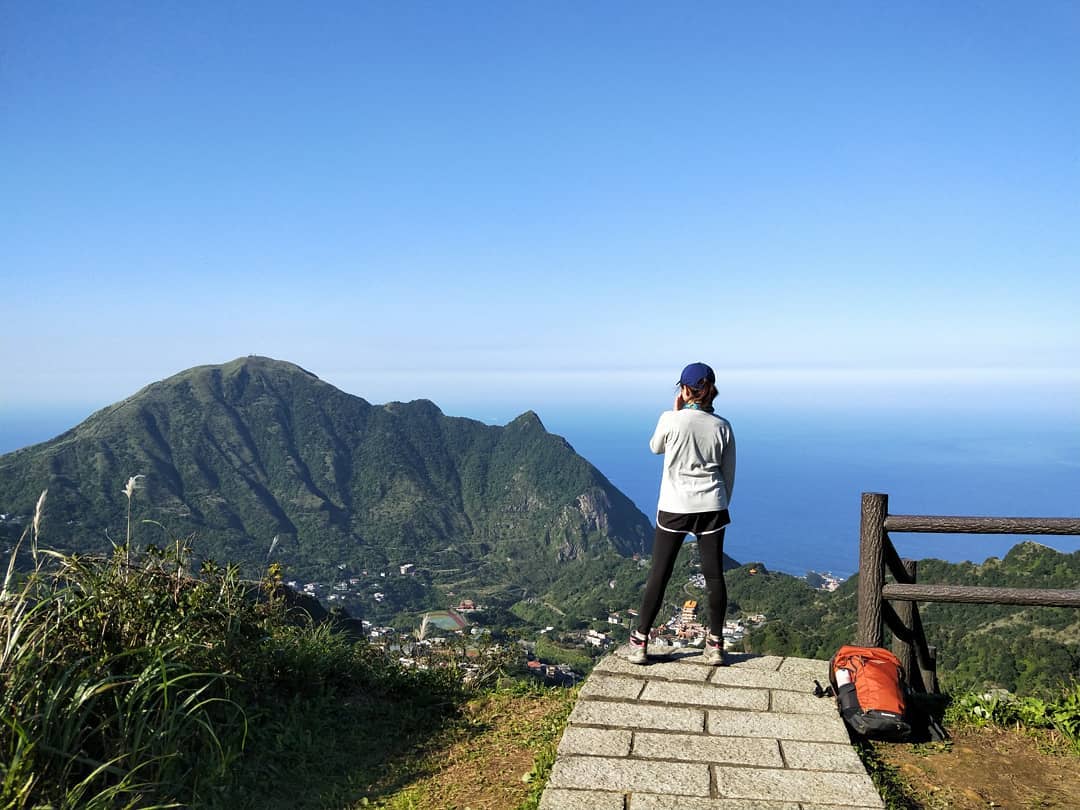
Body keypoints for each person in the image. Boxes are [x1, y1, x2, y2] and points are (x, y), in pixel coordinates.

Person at [627, 362, 736, 666]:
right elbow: (728, 474)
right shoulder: (723, 426)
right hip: (712, 507)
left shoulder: (670, 420)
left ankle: (640, 641)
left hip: (675, 506)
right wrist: (719, 502)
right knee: (714, 577)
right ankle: (715, 645)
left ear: (685, 390)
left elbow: (655, 447)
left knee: (659, 574)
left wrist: (675, 412)